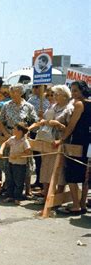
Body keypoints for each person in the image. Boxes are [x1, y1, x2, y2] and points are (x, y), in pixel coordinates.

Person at [28, 85, 73, 203]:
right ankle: (46, 193)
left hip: (59, 141)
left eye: (57, 94)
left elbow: (70, 128)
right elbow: (46, 120)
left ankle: (58, 194)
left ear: (64, 96)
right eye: (54, 94)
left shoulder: (69, 109)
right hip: (47, 140)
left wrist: (58, 125)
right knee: (46, 167)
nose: (55, 96)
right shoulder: (53, 106)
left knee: (59, 168)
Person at [56, 81, 90, 215]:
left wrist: (62, 139)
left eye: (76, 90)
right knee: (86, 175)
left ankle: (76, 205)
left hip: (78, 142)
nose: (74, 93)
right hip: (89, 144)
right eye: (72, 90)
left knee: (72, 175)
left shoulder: (79, 104)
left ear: (82, 90)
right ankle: (82, 204)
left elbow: (71, 125)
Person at [0, 122, 32, 205]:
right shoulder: (12, 138)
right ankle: (10, 196)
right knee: (10, 180)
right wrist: (1, 150)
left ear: (20, 131)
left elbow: (28, 153)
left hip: (20, 165)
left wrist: (18, 155)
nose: (13, 130)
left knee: (19, 182)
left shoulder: (25, 141)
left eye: (15, 129)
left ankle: (17, 197)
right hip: (11, 163)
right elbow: (4, 143)